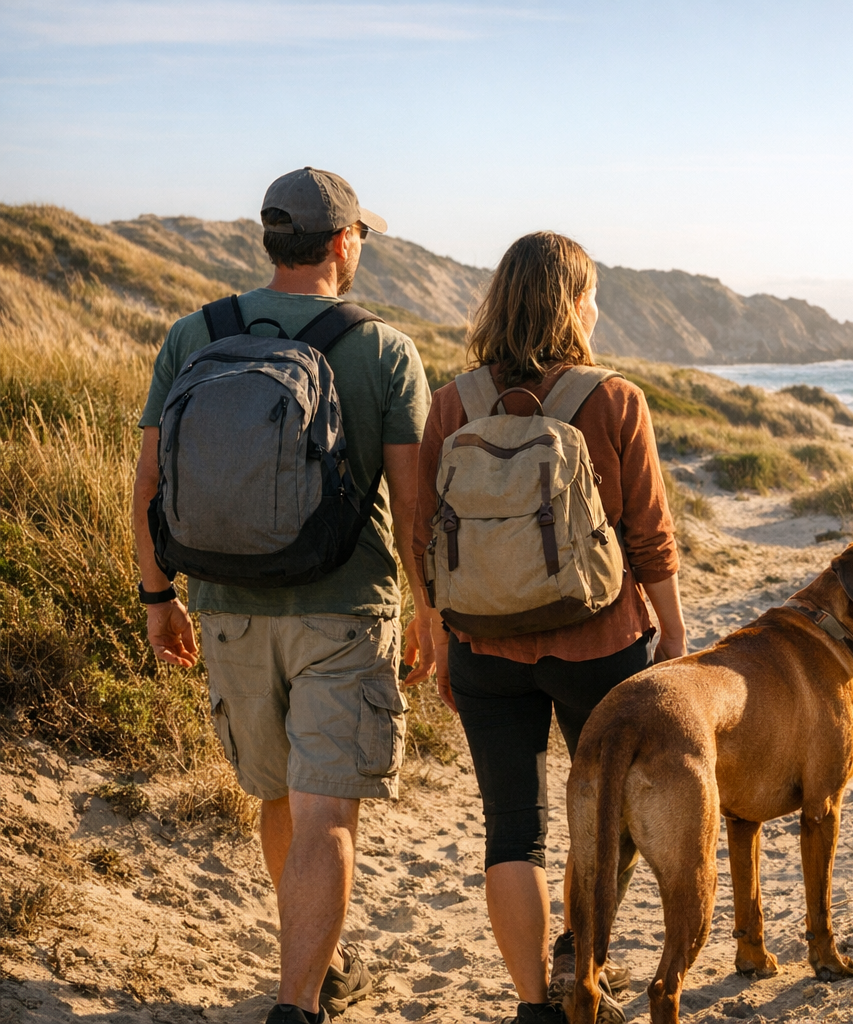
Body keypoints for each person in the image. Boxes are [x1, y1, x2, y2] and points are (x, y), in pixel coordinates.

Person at [132, 167, 431, 1024]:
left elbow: (149, 481)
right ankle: (299, 1001)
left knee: (278, 799)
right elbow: (413, 508)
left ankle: (318, 963)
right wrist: (432, 614)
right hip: (346, 612)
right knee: (326, 810)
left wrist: (157, 596)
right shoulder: (384, 349)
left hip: (226, 607)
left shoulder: (196, 334)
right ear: (341, 242)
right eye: (360, 234)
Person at [410, 231, 686, 1024]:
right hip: (601, 642)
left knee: (512, 831)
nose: (596, 307)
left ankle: (534, 1006)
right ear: (574, 303)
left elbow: (424, 537)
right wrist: (672, 635)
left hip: (483, 646)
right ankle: (579, 960)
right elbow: (649, 537)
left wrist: (439, 640)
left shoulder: (453, 403)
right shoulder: (614, 398)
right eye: (591, 293)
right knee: (604, 821)